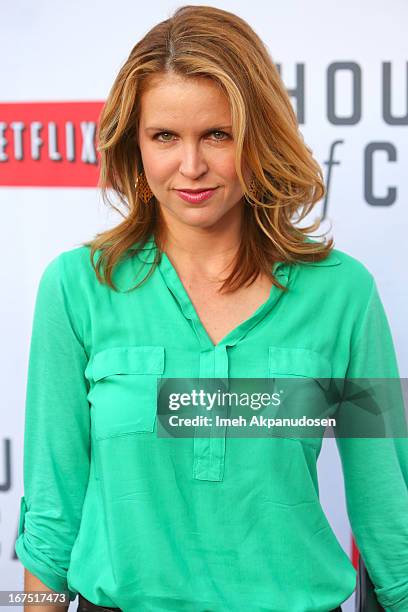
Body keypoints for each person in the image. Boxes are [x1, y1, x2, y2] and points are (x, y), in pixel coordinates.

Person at [14, 5, 408, 612]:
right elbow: (50, 516)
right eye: (164, 136)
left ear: (259, 137)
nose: (191, 166)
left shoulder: (343, 293)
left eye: (218, 135)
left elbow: (389, 508)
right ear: (134, 143)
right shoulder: (76, 287)